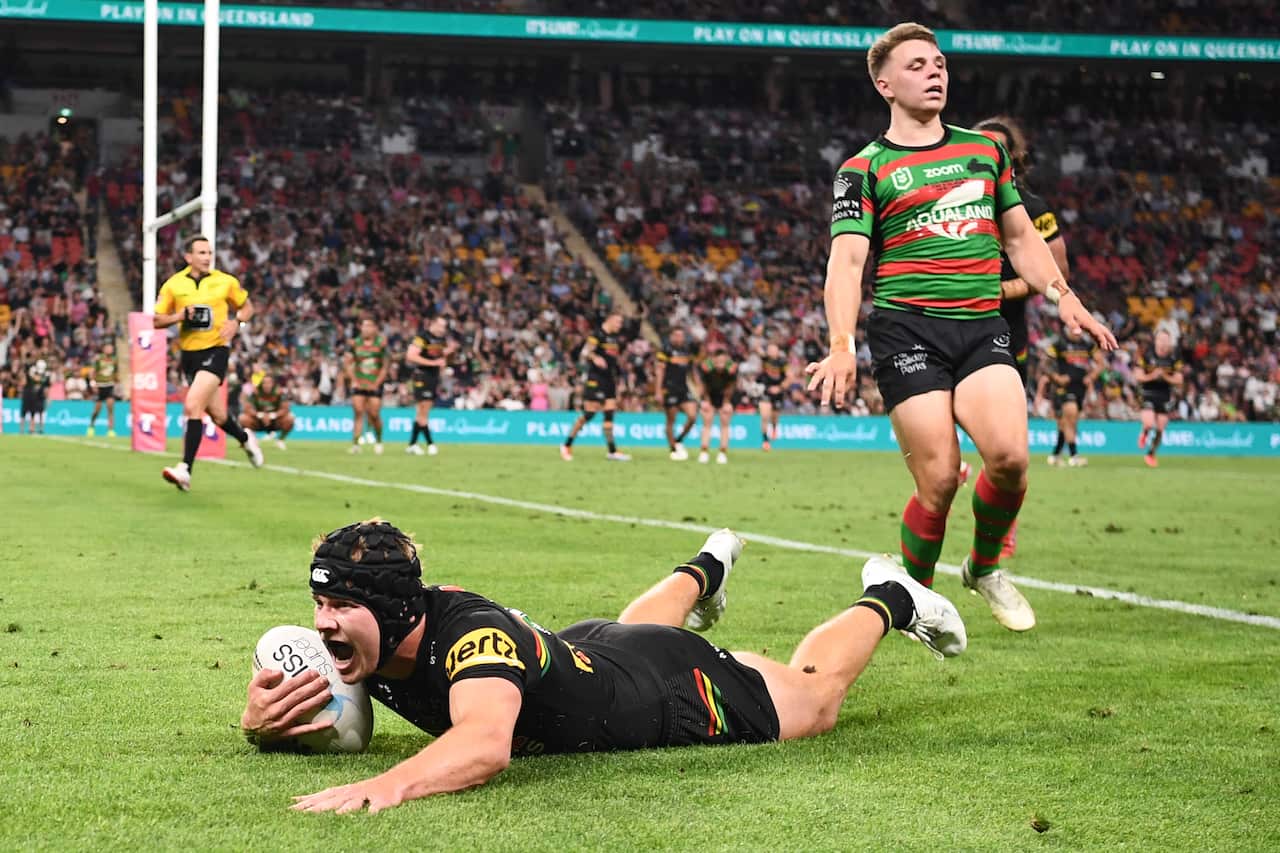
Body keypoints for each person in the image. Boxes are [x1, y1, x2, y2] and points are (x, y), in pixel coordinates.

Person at [241, 519, 966, 814]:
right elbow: (302, 699)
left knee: (814, 702)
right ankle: (706, 566)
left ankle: (890, 596)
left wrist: (385, 785)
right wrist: (260, 723)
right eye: (319, 601)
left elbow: (486, 745)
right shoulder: (366, 640)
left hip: (668, 689)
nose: (322, 621)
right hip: (592, 654)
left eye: (340, 603)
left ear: (396, 609)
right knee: (623, 633)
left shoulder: (476, 644)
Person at [806, 23, 1116, 632]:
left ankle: (983, 567)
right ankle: (917, 598)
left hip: (980, 327)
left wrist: (1064, 295)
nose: (935, 71)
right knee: (941, 479)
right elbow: (845, 263)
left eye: (940, 62)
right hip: (906, 330)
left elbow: (1023, 237)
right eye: (918, 64)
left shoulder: (984, 151)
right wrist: (839, 344)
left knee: (1010, 460)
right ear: (885, 84)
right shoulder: (862, 170)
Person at [969, 116, 1069, 556]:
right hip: (947, 324)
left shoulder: (1033, 208)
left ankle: (1001, 526)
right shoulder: (951, 201)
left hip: (1006, 332)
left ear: (1014, 158)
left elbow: (1058, 273)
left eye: (997, 149)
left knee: (1006, 447)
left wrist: (1006, 289)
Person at [153, 236, 263, 492]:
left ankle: (185, 469)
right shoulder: (173, 285)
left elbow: (247, 307)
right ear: (188, 257)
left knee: (192, 405)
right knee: (218, 415)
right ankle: (246, 438)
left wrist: (237, 323)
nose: (206, 256)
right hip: (189, 355)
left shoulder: (225, 281)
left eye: (209, 252)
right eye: (201, 252)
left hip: (216, 350)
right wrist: (181, 315)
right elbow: (156, 321)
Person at [561, 312, 630, 462]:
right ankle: (567, 445)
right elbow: (585, 352)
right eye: (618, 322)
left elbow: (613, 360)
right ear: (610, 320)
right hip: (596, 379)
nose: (620, 325)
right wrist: (595, 357)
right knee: (589, 414)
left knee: (609, 414)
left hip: (609, 379)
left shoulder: (614, 338)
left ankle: (612, 450)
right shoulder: (597, 335)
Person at [1039, 324, 1102, 467]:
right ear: (1068, 328)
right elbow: (1045, 363)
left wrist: (1091, 376)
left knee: (1065, 424)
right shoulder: (1059, 343)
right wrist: (1056, 377)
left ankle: (1055, 455)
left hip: (1080, 388)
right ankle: (1074, 456)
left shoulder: (1087, 344)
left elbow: (1100, 363)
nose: (1078, 333)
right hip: (1064, 387)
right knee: (1070, 418)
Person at [404, 315, 454, 457]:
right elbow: (411, 356)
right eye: (440, 325)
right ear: (432, 323)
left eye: (445, 326)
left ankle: (412, 445)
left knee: (421, 413)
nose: (443, 329)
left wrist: (448, 354)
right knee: (423, 412)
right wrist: (434, 363)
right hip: (422, 376)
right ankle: (430, 444)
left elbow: (441, 358)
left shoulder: (441, 340)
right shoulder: (422, 337)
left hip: (433, 377)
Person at [1134, 328, 1184, 468]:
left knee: (1161, 428)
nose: (1163, 343)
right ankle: (1144, 432)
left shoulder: (1174, 358)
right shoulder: (1146, 355)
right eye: (1161, 339)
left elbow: (1179, 379)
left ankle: (1151, 453)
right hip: (1148, 393)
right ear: (1156, 341)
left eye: (1166, 340)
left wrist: (1165, 377)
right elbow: (1138, 376)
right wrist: (1152, 376)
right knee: (1149, 423)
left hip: (1165, 395)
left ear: (1170, 343)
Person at [346, 315, 389, 456]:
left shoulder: (381, 345)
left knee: (374, 414)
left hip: (374, 384)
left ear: (375, 329)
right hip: (359, 383)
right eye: (364, 326)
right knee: (358, 412)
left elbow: (385, 366)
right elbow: (348, 363)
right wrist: (354, 380)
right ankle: (356, 444)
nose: (366, 329)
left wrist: (377, 383)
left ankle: (379, 440)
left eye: (369, 326)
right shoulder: (354, 344)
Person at [654, 327, 698, 461]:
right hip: (669, 389)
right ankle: (672, 448)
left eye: (681, 336)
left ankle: (679, 440)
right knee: (671, 420)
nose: (679, 338)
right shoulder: (665, 351)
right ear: (671, 336)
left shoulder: (686, 351)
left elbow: (692, 370)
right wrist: (658, 391)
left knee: (692, 416)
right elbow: (659, 371)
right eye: (676, 335)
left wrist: (698, 386)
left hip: (683, 389)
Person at [697, 350, 737, 464]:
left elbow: (732, 386)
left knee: (725, 424)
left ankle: (722, 453)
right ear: (713, 360)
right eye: (718, 361)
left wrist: (726, 402)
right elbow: (703, 385)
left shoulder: (732, 368)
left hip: (725, 395)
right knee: (707, 423)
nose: (720, 364)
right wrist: (706, 400)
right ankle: (704, 452)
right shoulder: (705, 367)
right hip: (710, 394)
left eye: (723, 361)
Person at [239, 374, 295, 451]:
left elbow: (285, 409)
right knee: (242, 418)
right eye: (264, 383)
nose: (266, 385)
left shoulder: (280, 392)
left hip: (275, 420)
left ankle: (280, 440)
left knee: (290, 418)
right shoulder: (256, 392)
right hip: (259, 420)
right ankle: (252, 440)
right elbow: (248, 408)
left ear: (273, 384)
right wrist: (260, 415)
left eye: (269, 383)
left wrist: (272, 415)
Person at [758, 341, 789, 452]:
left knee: (774, 416)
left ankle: (775, 428)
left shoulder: (783, 363)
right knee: (765, 416)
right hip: (765, 391)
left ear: (777, 351)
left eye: (773, 349)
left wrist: (779, 388)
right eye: (769, 350)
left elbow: (789, 377)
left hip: (778, 392)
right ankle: (765, 441)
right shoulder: (765, 360)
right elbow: (757, 348)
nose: (771, 352)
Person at [87, 340, 119, 437]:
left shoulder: (114, 360)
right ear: (104, 349)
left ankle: (110, 430)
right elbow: (91, 372)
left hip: (109, 386)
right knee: (97, 410)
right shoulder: (98, 359)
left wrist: (116, 383)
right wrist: (93, 384)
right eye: (108, 348)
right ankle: (91, 426)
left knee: (110, 408)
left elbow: (115, 373)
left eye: (111, 348)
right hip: (100, 386)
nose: (110, 349)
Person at [20, 357, 50, 435]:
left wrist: (48, 398)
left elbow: (46, 387)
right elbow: (24, 382)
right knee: (24, 413)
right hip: (28, 396)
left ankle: (34, 429)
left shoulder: (45, 376)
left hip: (38, 396)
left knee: (35, 413)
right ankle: (22, 430)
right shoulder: (30, 374)